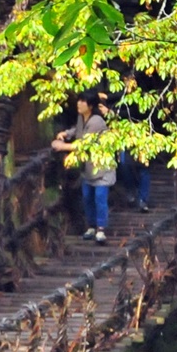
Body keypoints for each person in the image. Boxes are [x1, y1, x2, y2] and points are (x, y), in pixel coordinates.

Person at [52, 91, 115, 243]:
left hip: (101, 167)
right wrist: (66, 134)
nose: (79, 104)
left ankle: (101, 229)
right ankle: (91, 226)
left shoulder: (96, 121)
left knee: (100, 198)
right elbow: (77, 130)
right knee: (87, 198)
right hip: (88, 169)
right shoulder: (82, 118)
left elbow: (84, 144)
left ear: (91, 105)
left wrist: (62, 146)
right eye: (79, 100)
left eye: (83, 101)